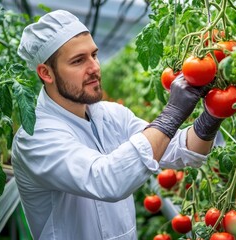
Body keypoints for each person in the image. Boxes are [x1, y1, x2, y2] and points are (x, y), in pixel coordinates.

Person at [12, 9, 224, 240]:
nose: (94, 67)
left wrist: (213, 114)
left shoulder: (111, 115)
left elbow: (180, 151)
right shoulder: (35, 138)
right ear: (46, 73)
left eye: (94, 55)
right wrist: (171, 114)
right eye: (78, 60)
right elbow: (106, 180)